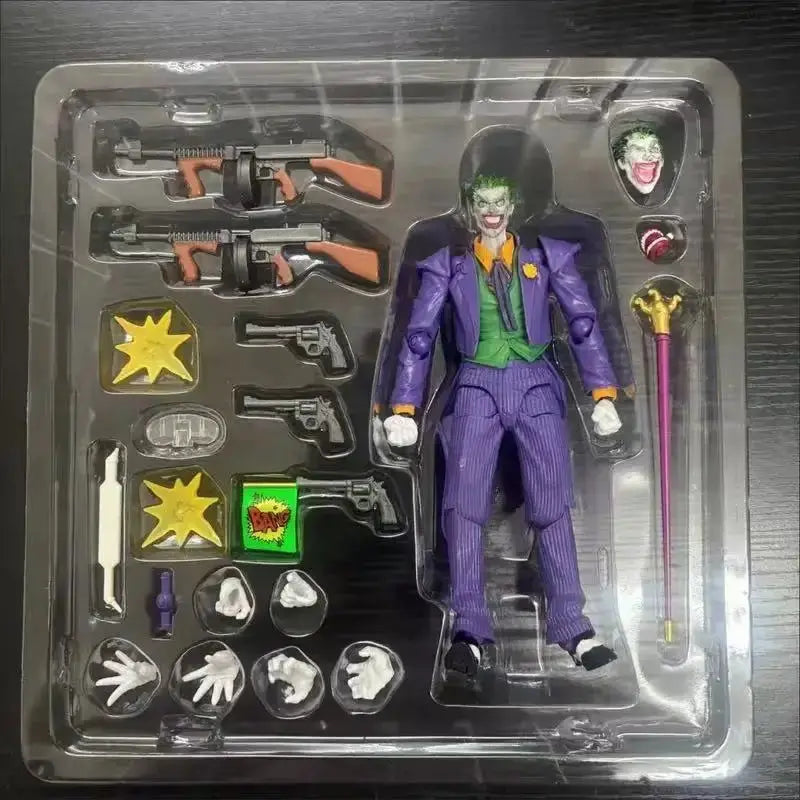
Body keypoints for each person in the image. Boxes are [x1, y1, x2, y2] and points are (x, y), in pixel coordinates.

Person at [383, 173, 621, 679]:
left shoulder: (547, 258)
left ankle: (573, 626)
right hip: (475, 386)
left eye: (499, 202)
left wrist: (603, 393)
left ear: (511, 207)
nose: (491, 211)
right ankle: (469, 629)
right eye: (482, 203)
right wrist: (404, 407)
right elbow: (420, 336)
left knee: (552, 505)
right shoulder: (447, 266)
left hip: (536, 383)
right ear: (471, 209)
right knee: (463, 509)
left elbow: (582, 322)